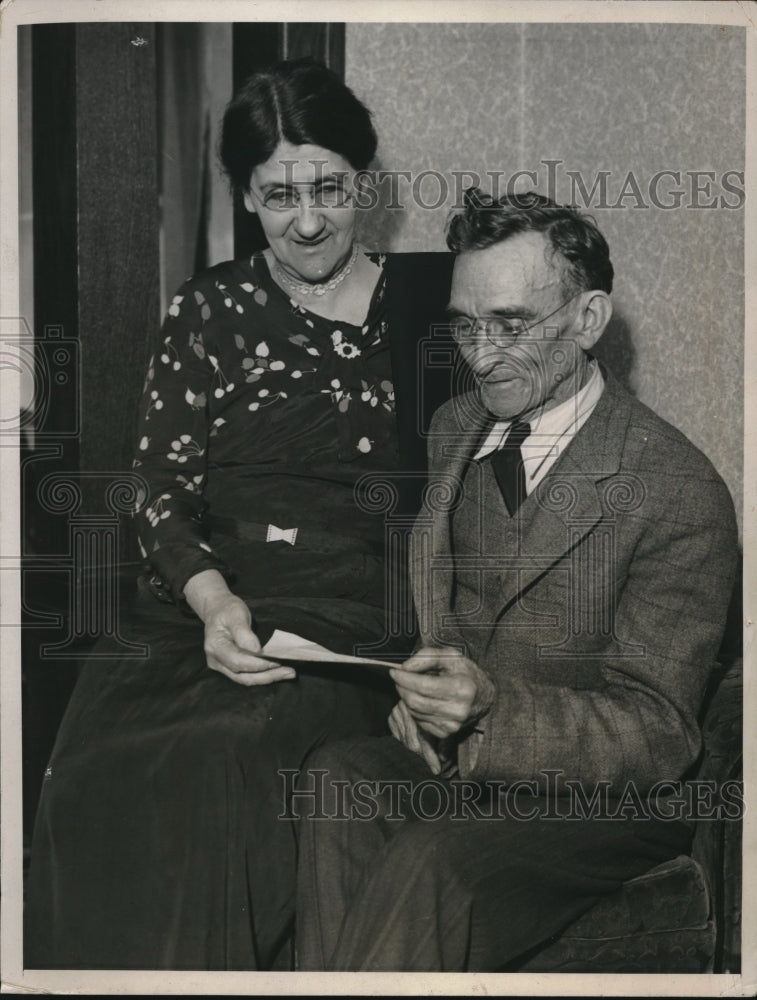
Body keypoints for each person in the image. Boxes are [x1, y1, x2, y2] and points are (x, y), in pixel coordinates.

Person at [24, 58, 453, 970]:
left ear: (365, 183)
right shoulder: (208, 310)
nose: (306, 221)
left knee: (218, 768)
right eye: (276, 195)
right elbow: (156, 484)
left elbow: (478, 503)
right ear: (244, 196)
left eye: (330, 189)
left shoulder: (433, 312)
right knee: (85, 784)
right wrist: (214, 604)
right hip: (205, 609)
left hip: (346, 620)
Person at [295, 189, 739, 971]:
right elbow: (460, 616)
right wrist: (427, 706)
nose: (479, 353)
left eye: (509, 324)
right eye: (465, 325)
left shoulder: (676, 488)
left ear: (587, 320)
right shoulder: (454, 430)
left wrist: (486, 717)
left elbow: (658, 732)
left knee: (439, 866)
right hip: (474, 767)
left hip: (605, 802)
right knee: (340, 776)